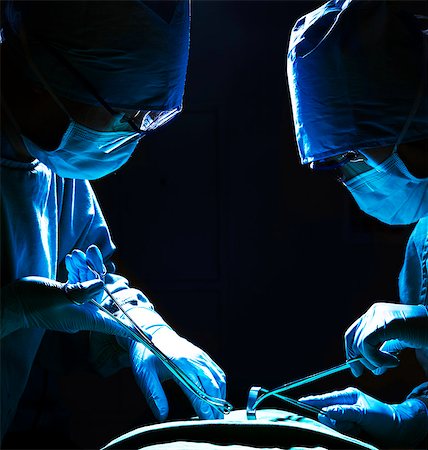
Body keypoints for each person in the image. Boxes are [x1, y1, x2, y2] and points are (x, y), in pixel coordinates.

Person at [0, 0, 225, 444]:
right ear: (45, 78)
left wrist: (144, 331)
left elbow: (93, 278)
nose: (134, 133)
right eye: (129, 113)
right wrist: (9, 309)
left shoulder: (52, 168)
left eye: (152, 118)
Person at [286, 0, 428, 447]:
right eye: (331, 163)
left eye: (350, 155)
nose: (347, 179)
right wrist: (405, 416)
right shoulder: (422, 244)